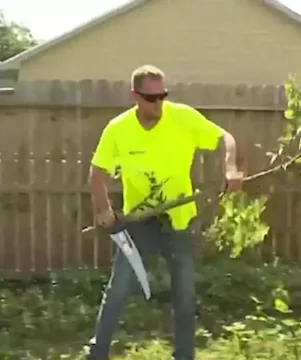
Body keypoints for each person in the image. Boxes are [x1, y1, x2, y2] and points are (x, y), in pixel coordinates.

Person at [87, 64, 243, 360]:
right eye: (150, 98)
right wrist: (104, 209)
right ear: (135, 95)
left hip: (179, 221)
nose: (158, 103)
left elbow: (226, 138)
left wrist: (231, 168)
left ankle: (184, 356)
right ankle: (97, 353)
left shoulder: (182, 118)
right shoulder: (118, 129)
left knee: (184, 295)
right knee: (118, 289)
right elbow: (96, 172)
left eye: (162, 96)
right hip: (138, 223)